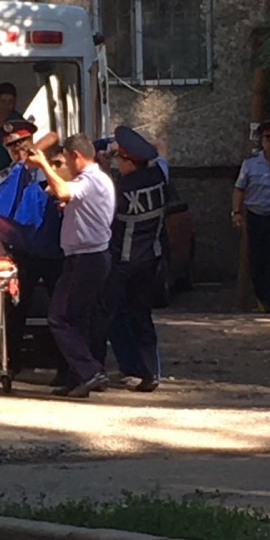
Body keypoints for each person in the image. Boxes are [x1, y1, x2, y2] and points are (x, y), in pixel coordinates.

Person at [27, 132, 115, 398]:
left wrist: (44, 164)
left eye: (65, 159)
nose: (64, 165)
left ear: (76, 156)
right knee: (77, 320)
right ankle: (79, 378)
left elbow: (64, 190)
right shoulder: (97, 179)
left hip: (86, 258)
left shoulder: (90, 179)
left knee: (59, 317)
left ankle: (90, 371)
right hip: (87, 257)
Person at [0, 120, 67, 383]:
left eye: (21, 143)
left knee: (60, 311)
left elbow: (54, 136)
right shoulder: (8, 176)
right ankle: (10, 365)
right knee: (16, 310)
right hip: (25, 252)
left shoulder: (51, 168)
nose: (17, 149)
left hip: (55, 250)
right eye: (11, 146)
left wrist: (35, 156)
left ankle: (66, 369)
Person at [99, 126, 169, 393]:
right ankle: (151, 370)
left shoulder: (120, 189)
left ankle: (126, 366)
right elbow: (161, 149)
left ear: (128, 161)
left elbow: (106, 209)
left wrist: (104, 167)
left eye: (120, 158)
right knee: (142, 315)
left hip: (123, 261)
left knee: (110, 313)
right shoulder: (159, 176)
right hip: (151, 258)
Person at [232, 120, 270, 313]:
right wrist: (236, 212)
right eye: (269, 139)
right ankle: (262, 299)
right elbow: (239, 189)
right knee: (257, 259)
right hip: (256, 216)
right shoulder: (250, 164)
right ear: (262, 141)